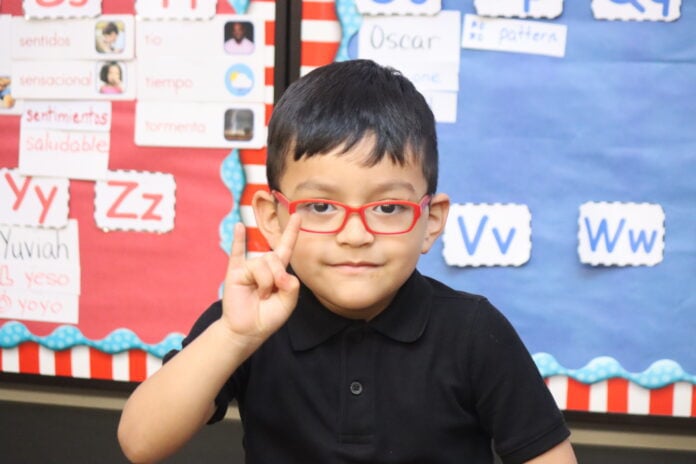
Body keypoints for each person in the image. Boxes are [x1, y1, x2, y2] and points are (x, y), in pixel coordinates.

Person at [118, 59, 577, 464]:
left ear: (431, 221)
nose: (354, 235)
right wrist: (235, 337)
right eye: (320, 207)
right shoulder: (247, 321)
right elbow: (140, 442)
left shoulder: (474, 332)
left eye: (388, 208)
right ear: (274, 219)